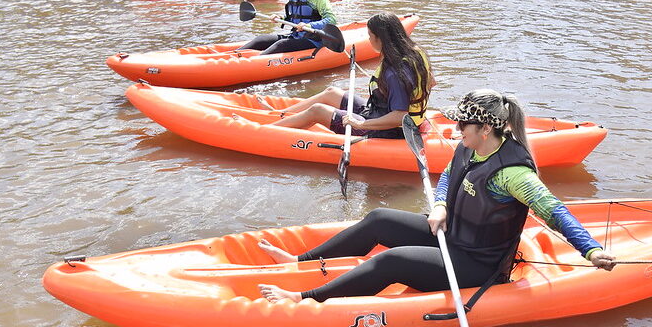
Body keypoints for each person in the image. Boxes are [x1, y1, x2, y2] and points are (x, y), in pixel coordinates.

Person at [257, 89, 616, 303]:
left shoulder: (513, 174)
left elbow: (555, 211)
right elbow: (447, 177)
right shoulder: (470, 147)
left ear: (485, 128)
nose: (456, 129)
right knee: (379, 219)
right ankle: (300, 261)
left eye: (463, 124)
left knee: (392, 260)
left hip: (477, 263)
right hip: (451, 233)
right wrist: (441, 205)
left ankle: (305, 299)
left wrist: (590, 250)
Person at [266, 11, 433, 139]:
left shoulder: (395, 72)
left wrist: (361, 123)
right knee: (331, 92)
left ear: (380, 39)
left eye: (370, 36)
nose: (369, 40)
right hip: (379, 112)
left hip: (390, 130)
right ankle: (280, 114)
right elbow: (431, 82)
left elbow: (400, 116)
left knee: (318, 111)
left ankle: (266, 132)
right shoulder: (416, 53)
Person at [237, 0, 338, 56]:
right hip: (296, 35)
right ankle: (234, 55)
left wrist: (309, 25)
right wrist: (280, 18)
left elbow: (331, 19)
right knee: (261, 39)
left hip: (313, 39)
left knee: (281, 44)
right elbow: (294, 17)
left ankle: (253, 63)